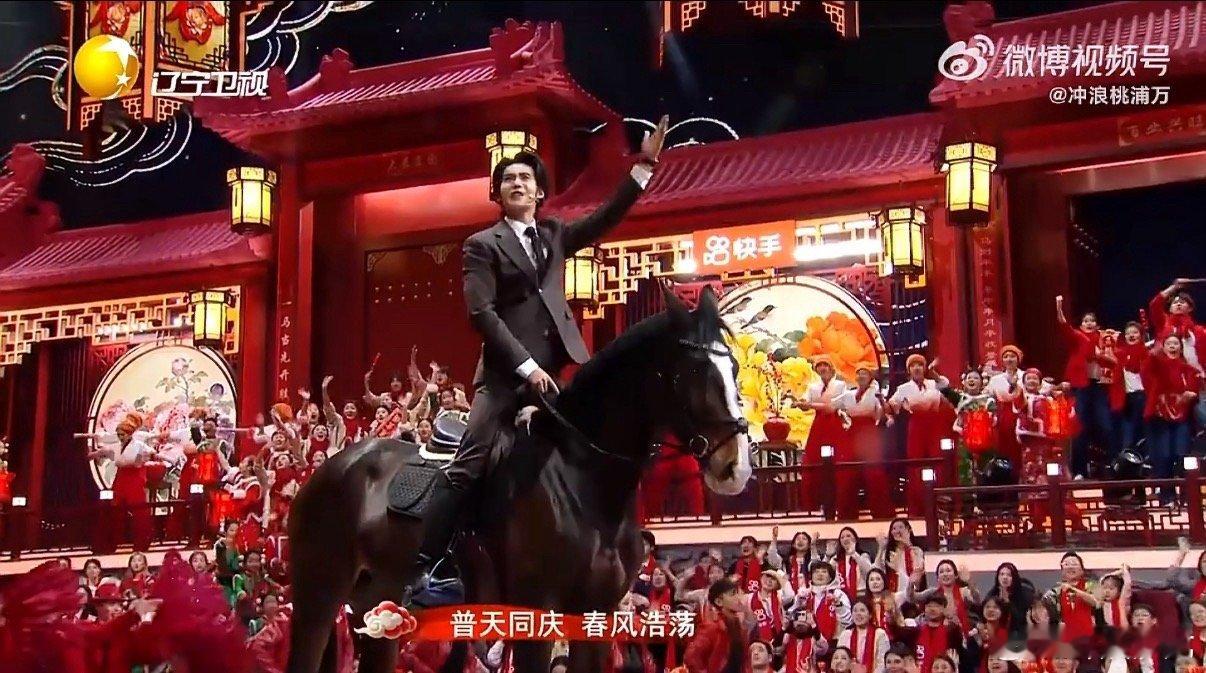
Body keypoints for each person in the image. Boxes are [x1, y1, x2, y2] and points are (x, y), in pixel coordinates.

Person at [401, 116, 669, 603]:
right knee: (467, 467)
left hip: (558, 378)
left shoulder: (554, 235)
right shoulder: (482, 245)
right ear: (498, 193)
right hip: (504, 381)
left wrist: (643, 168)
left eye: (526, 177)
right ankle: (426, 568)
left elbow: (605, 218)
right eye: (508, 179)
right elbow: (482, 314)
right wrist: (527, 367)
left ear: (540, 191)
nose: (517, 183)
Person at [1055, 295, 1114, 478]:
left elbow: (1116, 360)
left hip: (1099, 387)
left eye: (1092, 320)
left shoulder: (1106, 339)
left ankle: (1108, 467)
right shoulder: (1078, 338)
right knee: (1079, 429)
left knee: (1106, 426)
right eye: (1086, 321)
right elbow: (1064, 326)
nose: (1089, 323)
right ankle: (1079, 470)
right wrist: (1059, 309)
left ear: (1097, 324)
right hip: (1081, 386)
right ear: (1081, 325)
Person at [887, 354, 954, 515]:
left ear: (924, 368)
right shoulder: (903, 388)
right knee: (916, 464)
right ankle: (918, 506)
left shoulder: (934, 383)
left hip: (935, 426)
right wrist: (891, 415)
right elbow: (890, 406)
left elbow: (949, 396)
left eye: (919, 365)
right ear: (909, 370)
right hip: (916, 427)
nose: (916, 368)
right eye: (913, 366)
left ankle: (941, 505)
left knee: (938, 462)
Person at [1141, 334, 1201, 505]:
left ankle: (1187, 495)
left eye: (1176, 343)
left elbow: (1194, 391)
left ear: (1181, 348)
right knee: (1164, 455)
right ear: (1163, 347)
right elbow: (1146, 372)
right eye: (1169, 344)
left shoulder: (1189, 370)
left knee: (1182, 454)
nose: (1172, 346)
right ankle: (1166, 496)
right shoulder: (1156, 367)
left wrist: (1191, 395)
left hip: (1182, 417)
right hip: (1159, 417)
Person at [1148, 279, 1205, 428]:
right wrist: (1174, 287)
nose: (1178, 304)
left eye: (1182, 302)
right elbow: (1154, 305)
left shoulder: (1199, 331)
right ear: (1170, 308)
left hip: (1198, 382)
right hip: (1171, 385)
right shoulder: (1164, 325)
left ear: (1190, 308)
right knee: (1178, 423)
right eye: (1174, 302)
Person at [836, 367, 892, 518]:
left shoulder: (876, 393)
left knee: (874, 472)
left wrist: (881, 403)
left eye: (865, 374)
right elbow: (834, 405)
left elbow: (883, 412)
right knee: (848, 471)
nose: (861, 376)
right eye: (859, 374)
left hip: (869, 434)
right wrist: (842, 415)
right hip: (852, 433)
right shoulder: (848, 394)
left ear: (870, 378)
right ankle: (846, 513)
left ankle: (881, 512)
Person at [799, 355, 848, 511]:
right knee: (814, 460)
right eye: (819, 366)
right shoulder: (813, 387)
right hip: (819, 426)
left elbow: (837, 404)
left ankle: (839, 502)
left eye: (825, 365)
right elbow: (805, 402)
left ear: (831, 368)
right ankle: (814, 504)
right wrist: (801, 403)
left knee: (837, 461)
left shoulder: (840, 385)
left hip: (834, 424)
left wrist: (812, 405)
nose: (822, 368)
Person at [684, 578, 748, 673]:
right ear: (719, 602)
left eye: (739, 593)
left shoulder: (740, 628)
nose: (739, 597)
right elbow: (691, 657)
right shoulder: (712, 627)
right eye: (733, 594)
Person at [1044, 551, 1097, 645]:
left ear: (1082, 570)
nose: (1070, 567)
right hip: (1065, 642)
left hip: (1089, 640)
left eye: (1074, 564)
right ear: (1062, 571)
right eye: (1066, 564)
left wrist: (1073, 590)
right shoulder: (1055, 592)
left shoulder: (1092, 585)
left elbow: (1096, 602)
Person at [1113, 322, 1150, 452]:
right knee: (1127, 433)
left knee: (1142, 432)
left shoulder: (1146, 354)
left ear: (1141, 335)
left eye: (1134, 332)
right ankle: (1126, 459)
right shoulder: (1121, 355)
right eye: (1128, 333)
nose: (1131, 335)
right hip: (1127, 398)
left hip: (1143, 396)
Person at [836, 599, 891, 673]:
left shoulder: (880, 634)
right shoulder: (845, 635)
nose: (858, 614)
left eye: (862, 610)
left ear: (870, 615)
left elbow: (883, 663)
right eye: (855, 611)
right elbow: (839, 660)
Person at [986, 562, 1036, 643]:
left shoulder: (1024, 595)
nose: (1005, 577)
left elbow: (1020, 621)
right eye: (1002, 574)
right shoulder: (993, 594)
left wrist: (1007, 603)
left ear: (1014, 578)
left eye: (1009, 575)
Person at [826, 527, 874, 602]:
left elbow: (870, 572)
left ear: (855, 539)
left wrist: (854, 554)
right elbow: (825, 573)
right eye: (842, 537)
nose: (845, 539)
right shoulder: (836, 559)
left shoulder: (862, 555)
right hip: (842, 597)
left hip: (861, 595)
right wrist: (827, 556)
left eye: (848, 536)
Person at [877, 518, 925, 594]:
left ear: (908, 530)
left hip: (914, 592)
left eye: (900, 527)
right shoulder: (888, 553)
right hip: (894, 593)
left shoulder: (917, 550)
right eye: (894, 528)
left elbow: (918, 573)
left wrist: (907, 544)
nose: (897, 531)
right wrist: (881, 548)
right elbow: (877, 570)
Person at [1096, 565, 1133, 631]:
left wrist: (1124, 571)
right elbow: (1102, 579)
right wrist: (1118, 572)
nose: (1107, 591)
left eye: (1111, 588)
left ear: (1119, 592)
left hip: (1119, 634)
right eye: (1105, 588)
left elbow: (1127, 584)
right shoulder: (1099, 602)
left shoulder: (1121, 602)